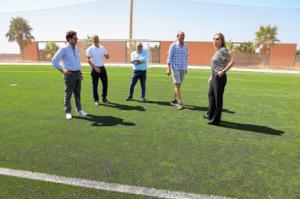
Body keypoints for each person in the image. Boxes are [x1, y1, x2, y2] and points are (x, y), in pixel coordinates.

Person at [52, 31, 88, 120]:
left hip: (77, 74)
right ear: (69, 39)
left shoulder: (76, 49)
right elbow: (54, 60)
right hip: (69, 75)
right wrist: (62, 70)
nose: (76, 40)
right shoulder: (63, 49)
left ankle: (79, 110)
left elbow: (77, 62)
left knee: (77, 94)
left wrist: (80, 73)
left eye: (77, 38)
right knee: (68, 94)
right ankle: (68, 112)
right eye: (75, 38)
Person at [204, 32, 234, 125]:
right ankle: (211, 114)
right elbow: (215, 65)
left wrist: (223, 71)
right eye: (214, 39)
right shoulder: (217, 51)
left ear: (222, 41)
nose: (215, 41)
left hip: (219, 77)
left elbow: (232, 61)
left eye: (217, 39)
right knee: (211, 95)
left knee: (218, 98)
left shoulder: (223, 50)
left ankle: (216, 120)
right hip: (214, 75)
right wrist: (211, 76)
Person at [166, 31, 188, 110]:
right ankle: (180, 103)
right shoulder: (173, 45)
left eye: (183, 35)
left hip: (182, 68)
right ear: (177, 36)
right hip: (174, 68)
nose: (182, 37)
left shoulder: (186, 45)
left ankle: (173, 100)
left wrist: (186, 68)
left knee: (178, 85)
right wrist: (168, 68)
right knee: (178, 85)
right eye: (181, 35)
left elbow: (186, 57)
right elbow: (169, 57)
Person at [86, 35, 110, 106]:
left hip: (102, 68)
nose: (96, 40)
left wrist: (107, 55)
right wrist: (95, 68)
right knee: (95, 85)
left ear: (99, 40)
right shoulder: (90, 49)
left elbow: (107, 57)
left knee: (105, 83)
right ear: (92, 40)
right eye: (94, 39)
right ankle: (96, 100)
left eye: (97, 39)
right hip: (94, 69)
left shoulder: (102, 48)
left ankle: (104, 98)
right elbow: (88, 60)